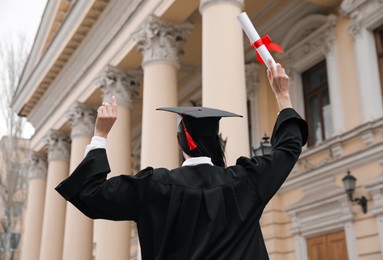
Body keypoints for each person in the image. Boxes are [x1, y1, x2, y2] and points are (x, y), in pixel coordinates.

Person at [56, 62, 308, 260]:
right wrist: (282, 95)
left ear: (181, 143)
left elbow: (89, 193)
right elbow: (288, 148)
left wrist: (100, 134)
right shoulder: (245, 182)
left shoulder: (155, 187)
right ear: (217, 142)